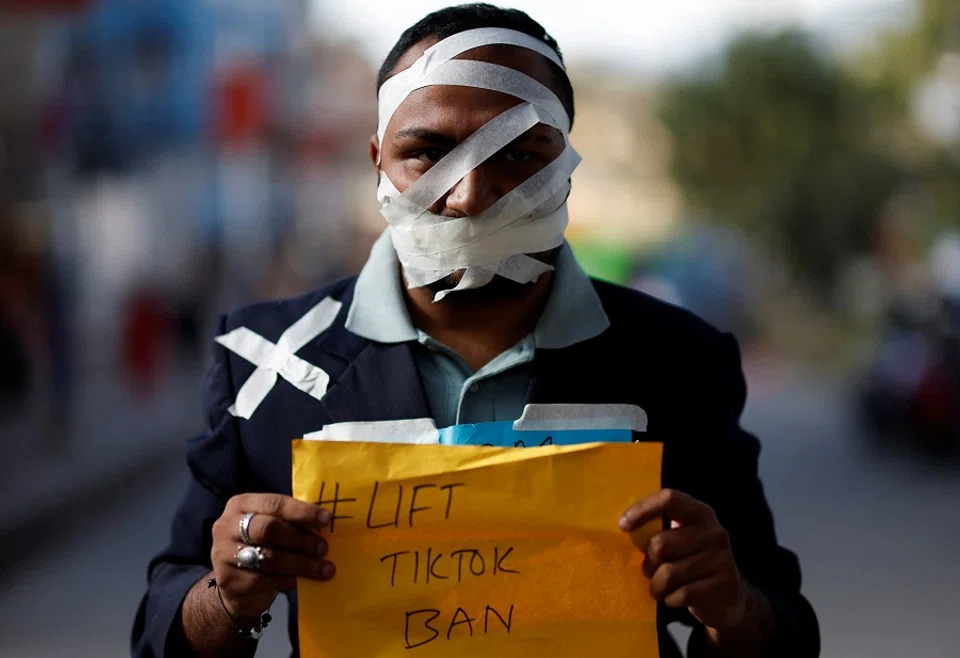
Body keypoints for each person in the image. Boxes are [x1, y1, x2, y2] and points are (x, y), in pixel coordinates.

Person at [132, 5, 819, 657]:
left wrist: (731, 608)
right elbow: (163, 631)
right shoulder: (266, 364)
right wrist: (228, 596)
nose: (467, 197)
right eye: (428, 154)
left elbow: (781, 625)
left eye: (518, 155)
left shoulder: (679, 361)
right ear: (378, 161)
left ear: (567, 168)